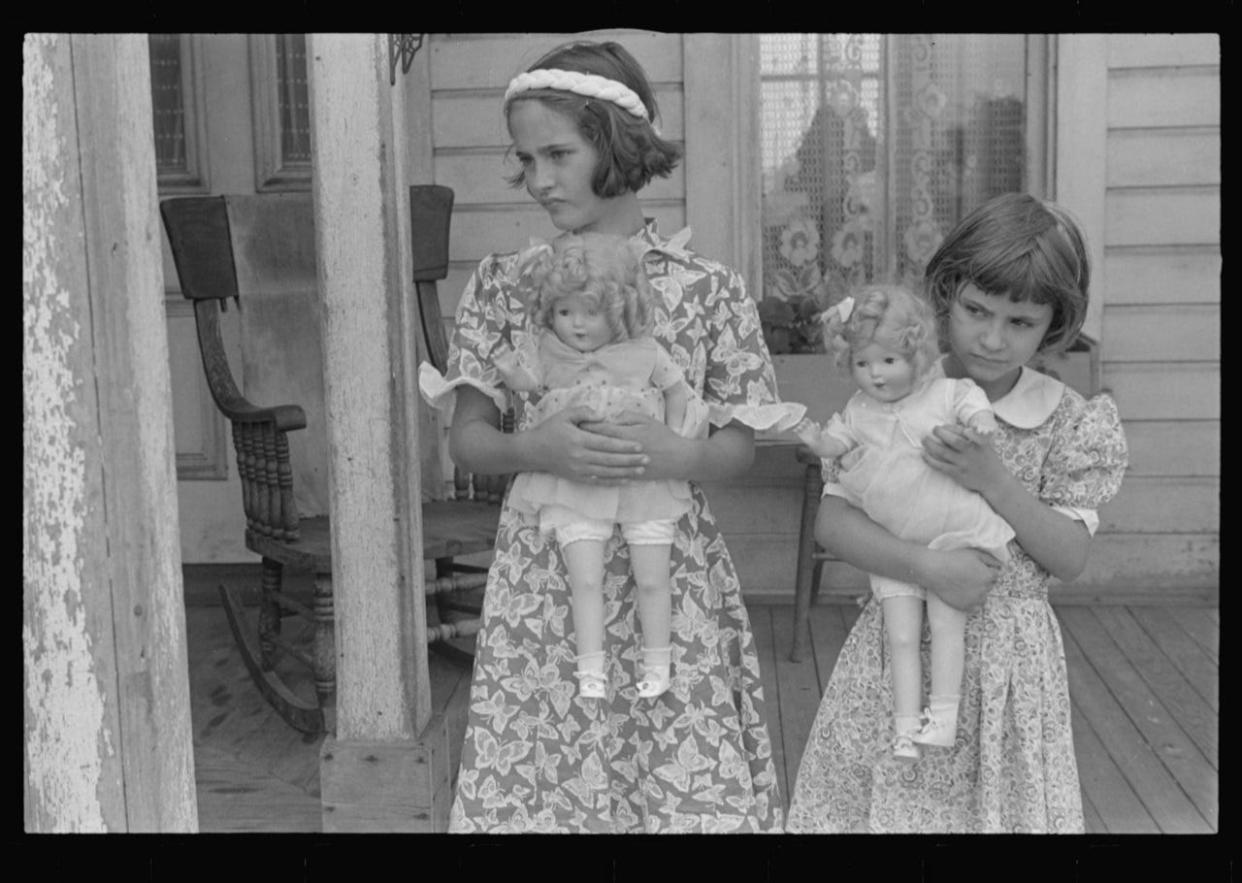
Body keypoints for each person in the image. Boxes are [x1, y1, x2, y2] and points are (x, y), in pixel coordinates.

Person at [418, 39, 801, 833]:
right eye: (526, 159)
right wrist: (536, 448)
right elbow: (469, 439)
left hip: (671, 569)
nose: (540, 178)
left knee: (676, 766)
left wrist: (684, 453)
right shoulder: (506, 284)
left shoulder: (705, 289)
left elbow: (740, 444)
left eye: (560, 152)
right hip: (545, 574)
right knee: (547, 769)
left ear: (619, 144)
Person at [786, 192, 1128, 833]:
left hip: (1010, 668)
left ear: (1055, 322)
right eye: (976, 310)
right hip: (901, 643)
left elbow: (1071, 557)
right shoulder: (893, 395)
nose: (992, 338)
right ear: (947, 291)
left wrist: (993, 479)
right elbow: (833, 521)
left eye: (1020, 322)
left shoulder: (1067, 421)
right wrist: (925, 565)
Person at [790, 284, 1015, 762]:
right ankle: (904, 725)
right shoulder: (858, 410)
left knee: (947, 624)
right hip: (895, 541)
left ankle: (944, 718)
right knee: (902, 635)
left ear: (917, 355)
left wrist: (980, 423)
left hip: (952, 533)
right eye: (863, 364)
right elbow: (837, 442)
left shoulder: (942, 393)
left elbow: (970, 400)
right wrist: (817, 441)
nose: (875, 375)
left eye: (888, 361)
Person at [490, 231, 702, 700]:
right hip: (573, 483)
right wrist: (513, 375)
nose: (578, 325)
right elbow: (531, 385)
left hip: (642, 478)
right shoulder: (550, 350)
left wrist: (671, 438)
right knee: (584, 578)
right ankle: (591, 670)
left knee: (651, 576)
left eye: (591, 312)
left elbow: (676, 390)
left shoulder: (645, 352)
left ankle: (657, 663)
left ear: (620, 310)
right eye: (565, 312)